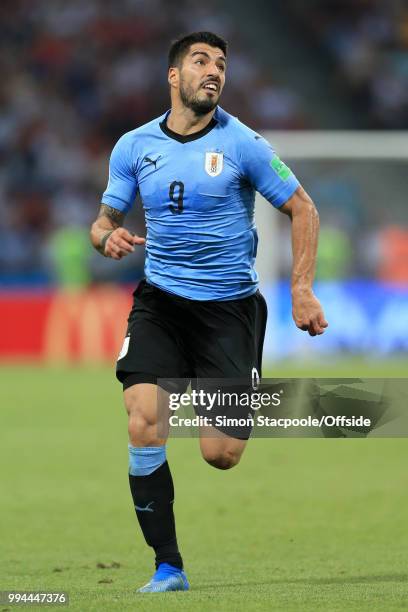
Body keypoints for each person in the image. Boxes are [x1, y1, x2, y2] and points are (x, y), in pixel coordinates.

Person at [90, 31, 328, 593]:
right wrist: (108, 239)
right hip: (161, 303)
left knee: (221, 454)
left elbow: (303, 207)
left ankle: (231, 384)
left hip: (228, 310)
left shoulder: (243, 143)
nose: (213, 71)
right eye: (200, 61)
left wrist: (301, 289)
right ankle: (168, 566)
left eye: (221, 64)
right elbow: (101, 222)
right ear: (174, 76)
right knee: (144, 420)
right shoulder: (133, 146)